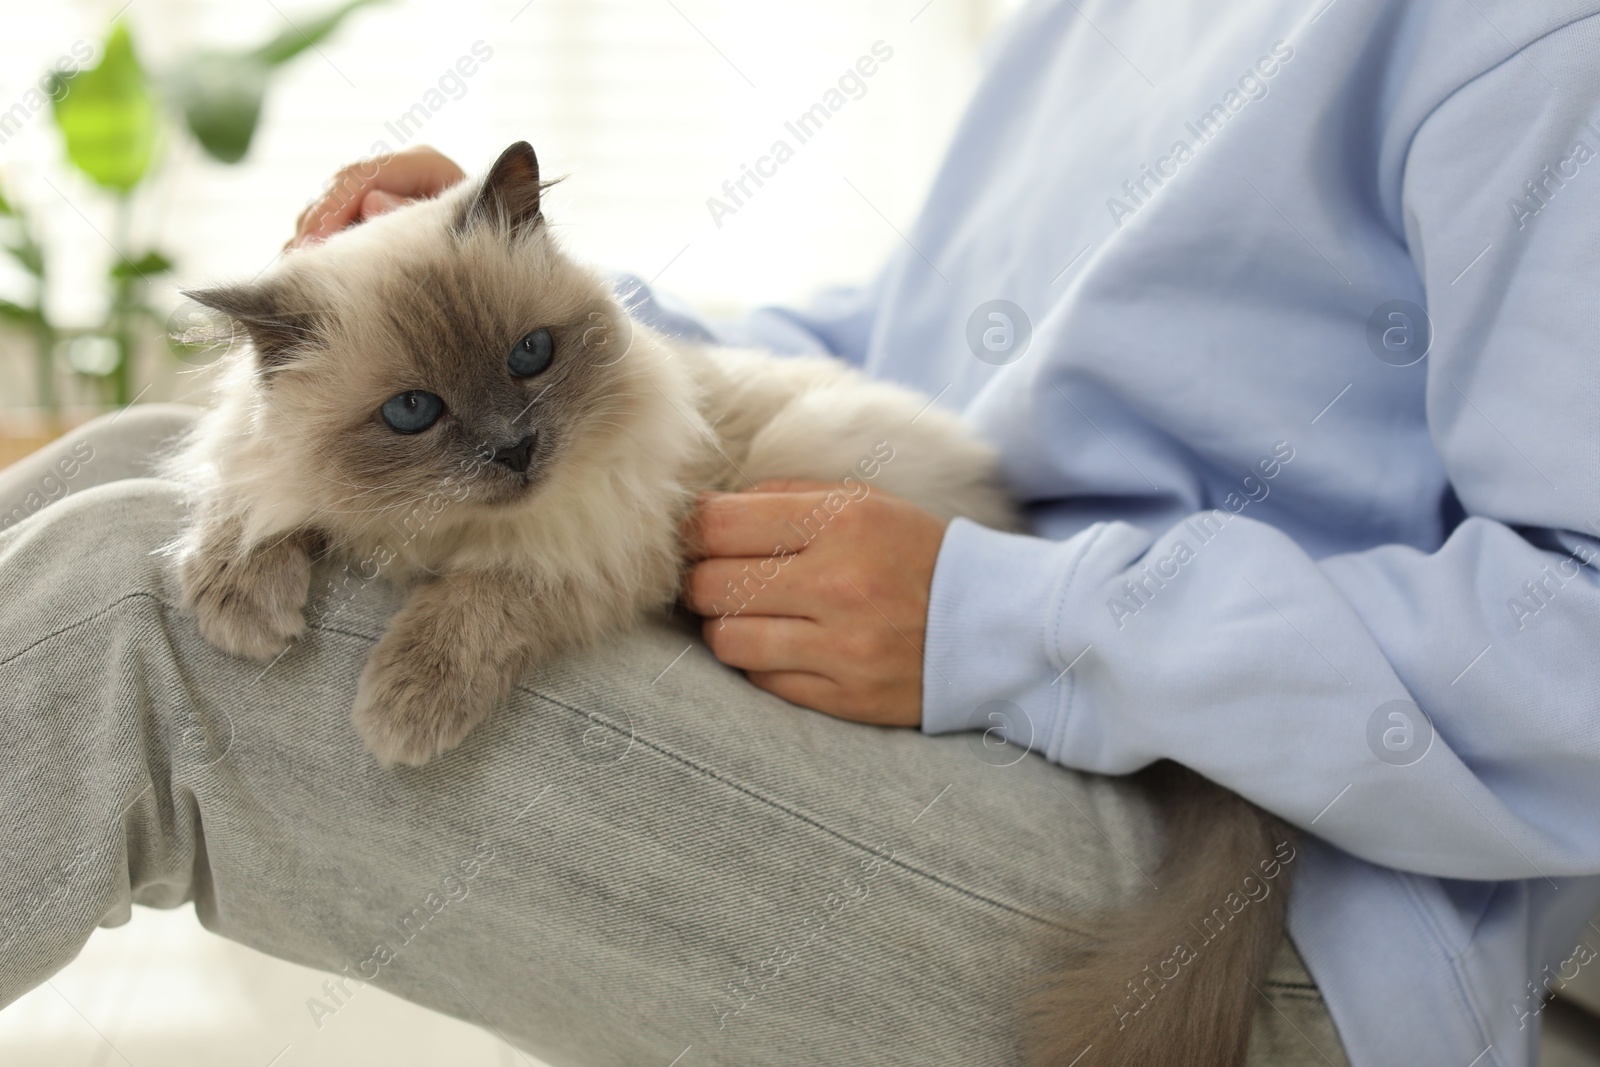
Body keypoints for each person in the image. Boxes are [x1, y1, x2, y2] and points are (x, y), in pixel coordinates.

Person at [4, 1, 1599, 1064]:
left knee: (124, 627)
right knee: (155, 472)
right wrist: (507, 299)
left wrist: (1010, 620)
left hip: (1302, 873)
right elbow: (930, 346)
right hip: (981, 681)